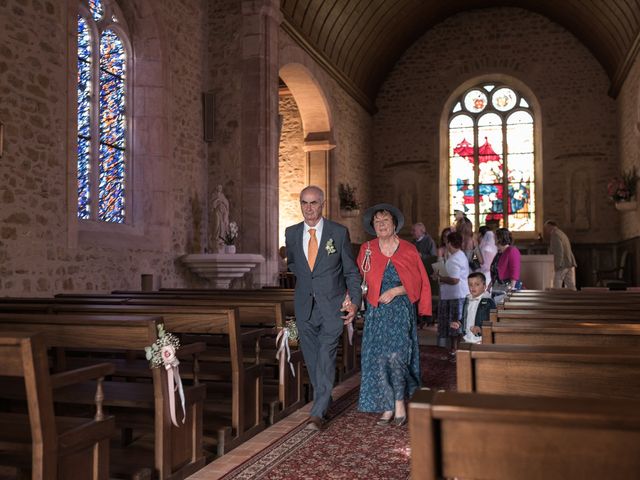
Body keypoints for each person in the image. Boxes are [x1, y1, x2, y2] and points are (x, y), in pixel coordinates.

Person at [284, 186, 361, 431]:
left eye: (314, 203)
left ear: (323, 204)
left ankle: (317, 413)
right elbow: (294, 265)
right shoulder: (292, 233)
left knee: (326, 356)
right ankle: (323, 400)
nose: (309, 208)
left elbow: (350, 271)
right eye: (304, 202)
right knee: (312, 358)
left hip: (332, 306)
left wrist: (355, 302)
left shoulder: (338, 233)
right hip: (304, 306)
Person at [356, 204, 431, 426]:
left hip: (400, 309)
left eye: (385, 221)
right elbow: (358, 279)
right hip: (376, 313)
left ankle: (399, 403)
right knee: (379, 359)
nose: (381, 225)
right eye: (377, 222)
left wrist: (395, 291)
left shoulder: (408, 249)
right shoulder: (367, 249)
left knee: (397, 356)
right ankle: (387, 406)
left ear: (394, 224)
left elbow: (417, 282)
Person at [436, 231, 470, 361]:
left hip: (456, 296)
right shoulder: (458, 255)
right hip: (454, 295)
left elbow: (455, 280)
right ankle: (454, 350)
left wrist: (441, 278)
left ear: (450, 243)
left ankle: (456, 351)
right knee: (454, 326)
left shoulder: (456, 258)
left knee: (455, 326)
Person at [450, 272, 496, 344]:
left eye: (477, 284)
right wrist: (459, 323)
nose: (473, 287)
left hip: (481, 339)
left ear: (484, 286)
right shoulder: (467, 300)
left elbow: (493, 321)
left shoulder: (489, 302)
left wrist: (481, 329)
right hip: (468, 337)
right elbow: (465, 317)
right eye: (470, 285)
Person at [412, 222, 437, 326]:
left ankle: (428, 318)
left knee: (426, 296)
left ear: (422, 231)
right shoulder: (413, 242)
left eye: (414, 230)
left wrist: (422, 256)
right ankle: (418, 318)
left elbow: (434, 257)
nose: (412, 232)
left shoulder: (429, 241)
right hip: (415, 273)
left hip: (427, 272)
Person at [490, 227, 522, 300]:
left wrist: (511, 288)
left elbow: (515, 270)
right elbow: (495, 271)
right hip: (498, 286)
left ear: (499, 238)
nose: (493, 239)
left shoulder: (512, 250)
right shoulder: (500, 252)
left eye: (495, 237)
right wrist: (490, 285)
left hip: (508, 287)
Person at [544, 220, 577, 289]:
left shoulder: (555, 234)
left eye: (546, 228)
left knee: (557, 282)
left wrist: (558, 265)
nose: (546, 230)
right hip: (568, 261)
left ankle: (556, 299)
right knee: (569, 283)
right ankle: (575, 297)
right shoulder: (561, 233)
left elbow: (559, 251)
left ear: (550, 226)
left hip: (563, 263)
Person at [211, 184, 230, 251]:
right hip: (217, 212)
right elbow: (212, 205)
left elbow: (227, 203)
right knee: (217, 224)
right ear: (216, 188)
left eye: (221, 187)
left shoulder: (222, 195)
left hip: (223, 213)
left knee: (222, 225)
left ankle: (221, 239)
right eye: (218, 187)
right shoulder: (214, 195)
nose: (220, 188)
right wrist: (217, 201)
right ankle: (216, 238)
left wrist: (223, 202)